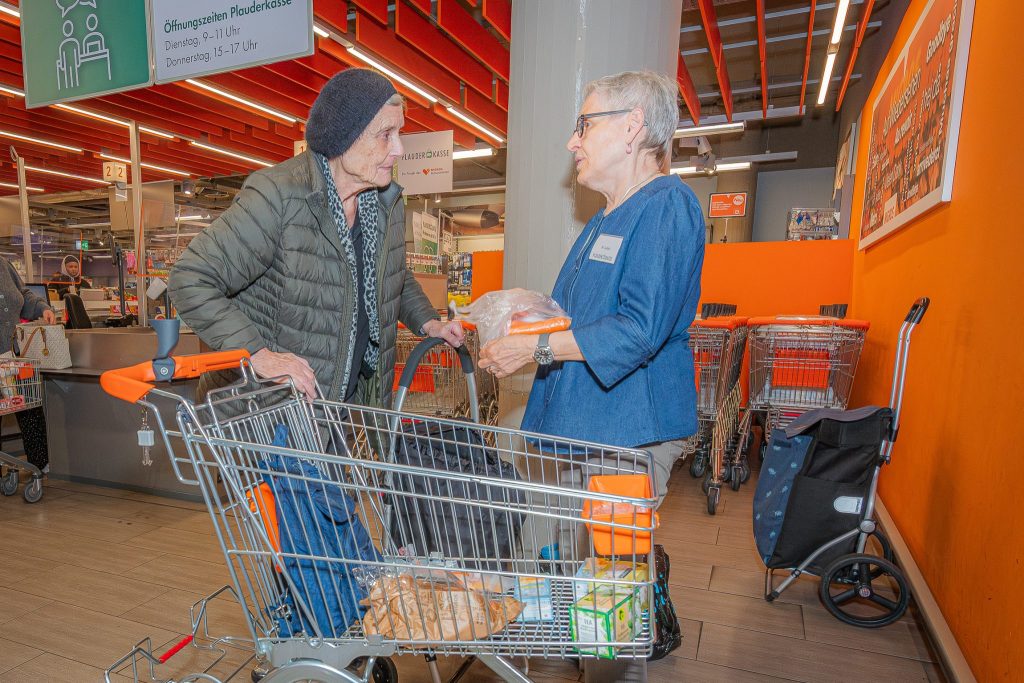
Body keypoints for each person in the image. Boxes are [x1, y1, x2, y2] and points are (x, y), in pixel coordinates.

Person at [169, 68, 463, 407]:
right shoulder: (279, 197)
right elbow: (190, 277)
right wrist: (257, 354)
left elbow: (390, 273)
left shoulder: (382, 203)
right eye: (385, 134)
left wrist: (429, 322)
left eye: (399, 133)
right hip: (263, 414)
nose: (398, 149)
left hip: (335, 409)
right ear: (344, 136)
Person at [478, 70, 706, 505]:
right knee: (588, 565)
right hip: (594, 426)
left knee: (611, 567)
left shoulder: (665, 206)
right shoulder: (605, 218)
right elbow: (581, 317)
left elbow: (638, 330)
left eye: (585, 124)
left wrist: (534, 349)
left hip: (630, 429)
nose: (572, 141)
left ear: (632, 126)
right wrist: (526, 312)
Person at [0, 257, 57, 474]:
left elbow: (23, 294)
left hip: (14, 354)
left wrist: (42, 307)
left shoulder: (3, 264)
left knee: (30, 408)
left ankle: (39, 465)